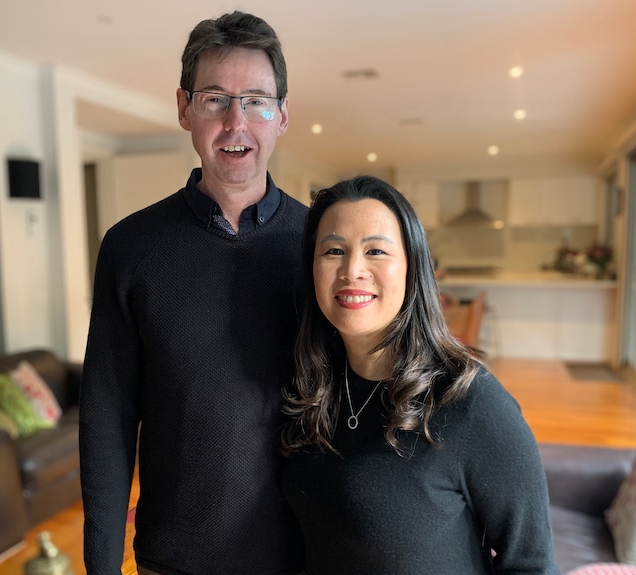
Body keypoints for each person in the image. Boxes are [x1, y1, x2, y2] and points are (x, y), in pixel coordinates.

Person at [80, 11, 306, 575]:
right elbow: (107, 419)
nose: (237, 122)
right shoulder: (132, 247)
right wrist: (101, 565)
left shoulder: (321, 245)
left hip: (305, 552)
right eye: (215, 99)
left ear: (282, 115)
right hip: (173, 556)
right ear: (184, 109)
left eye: (256, 100)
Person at [280, 175, 559, 574]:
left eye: (375, 250)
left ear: (412, 267)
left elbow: (533, 565)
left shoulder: (471, 403)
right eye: (334, 251)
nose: (352, 270)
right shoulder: (310, 388)